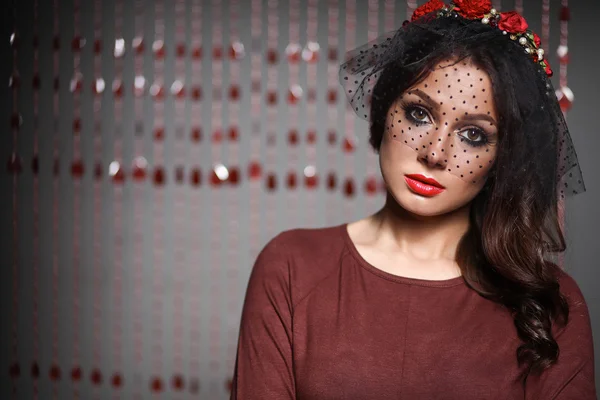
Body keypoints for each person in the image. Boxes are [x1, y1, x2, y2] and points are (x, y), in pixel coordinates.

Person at [229, 0, 595, 398]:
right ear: (385, 111)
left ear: (501, 157)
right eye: (419, 114)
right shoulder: (291, 267)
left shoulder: (550, 306)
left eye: (473, 135)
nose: (435, 154)